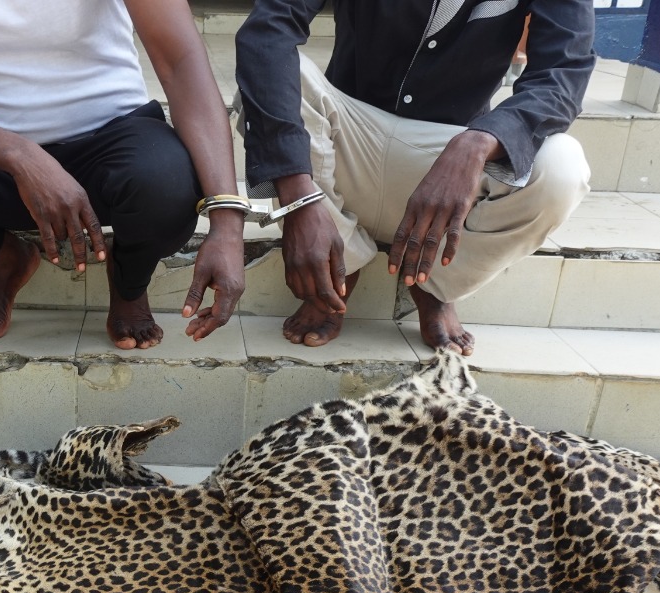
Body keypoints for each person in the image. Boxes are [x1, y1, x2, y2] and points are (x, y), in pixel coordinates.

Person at [0, 0, 244, 350]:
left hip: (111, 141)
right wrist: (20, 155)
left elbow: (180, 63)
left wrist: (227, 224)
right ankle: (3, 261)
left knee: (169, 183)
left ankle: (129, 280)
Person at [236, 0, 595, 352]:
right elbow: (270, 28)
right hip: (349, 138)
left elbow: (563, 74)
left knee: (562, 167)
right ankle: (342, 264)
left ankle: (434, 285)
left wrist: (478, 143)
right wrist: (299, 200)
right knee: (273, 76)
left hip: (447, 161)